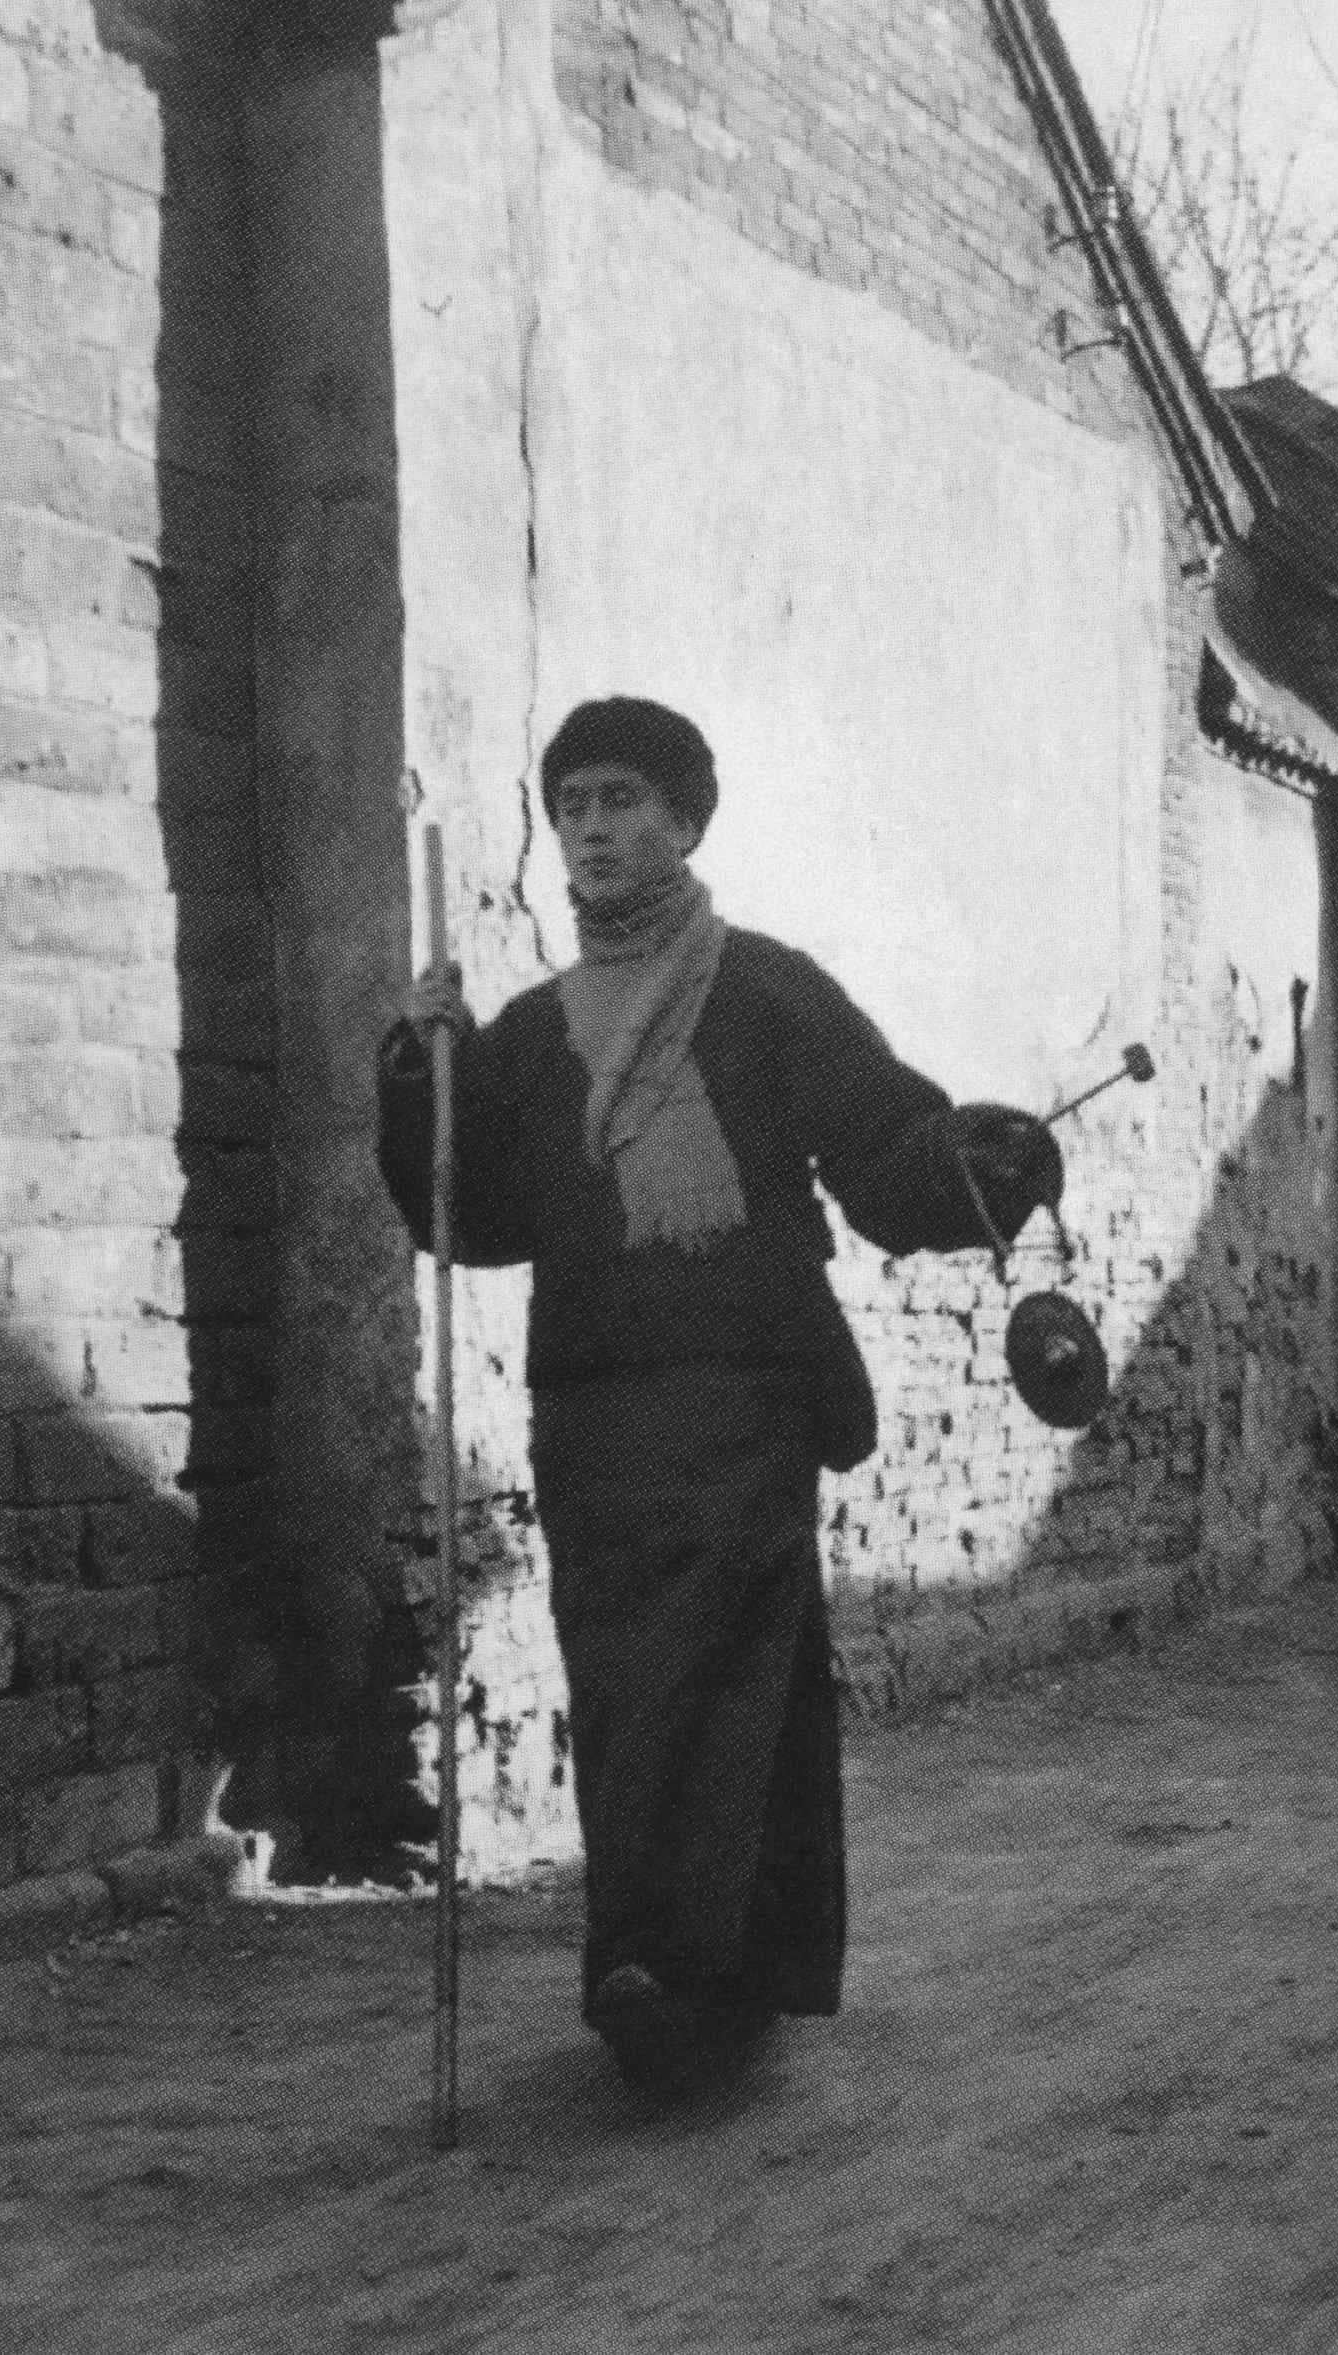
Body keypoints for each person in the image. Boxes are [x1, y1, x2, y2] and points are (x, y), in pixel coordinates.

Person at [374, 696, 1057, 2090]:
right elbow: (474, 1215)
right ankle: (669, 1956)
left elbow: (883, 1146)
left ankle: (676, 1971)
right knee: (626, 1690)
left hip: (744, 1398)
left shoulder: (761, 989)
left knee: (727, 1686)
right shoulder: (520, 1033)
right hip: (595, 1415)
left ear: (686, 819)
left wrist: (972, 1162)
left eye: (626, 798)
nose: (596, 827)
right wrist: (415, 1075)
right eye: (571, 805)